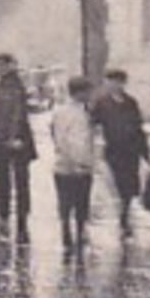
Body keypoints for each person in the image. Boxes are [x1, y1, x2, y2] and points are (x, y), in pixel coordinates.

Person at [91, 68, 150, 237]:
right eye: (111, 81)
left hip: (132, 148)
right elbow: (93, 123)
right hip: (113, 150)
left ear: (123, 83)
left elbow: (139, 127)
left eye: (118, 82)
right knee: (119, 182)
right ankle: (123, 215)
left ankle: (125, 210)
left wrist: (146, 155)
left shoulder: (130, 102)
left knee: (132, 185)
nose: (114, 85)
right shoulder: (102, 103)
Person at [0, 53, 37, 238]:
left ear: (8, 66)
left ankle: (16, 218)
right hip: (3, 140)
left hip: (12, 142)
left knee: (15, 181)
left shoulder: (12, 86)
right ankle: (8, 216)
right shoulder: (3, 85)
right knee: (7, 180)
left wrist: (13, 137)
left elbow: (17, 114)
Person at [49, 75, 98, 252]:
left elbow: (55, 135)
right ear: (81, 93)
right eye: (88, 92)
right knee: (81, 201)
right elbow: (79, 140)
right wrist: (83, 161)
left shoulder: (58, 111)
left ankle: (65, 230)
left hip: (61, 163)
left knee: (64, 200)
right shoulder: (81, 114)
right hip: (79, 165)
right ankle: (79, 231)